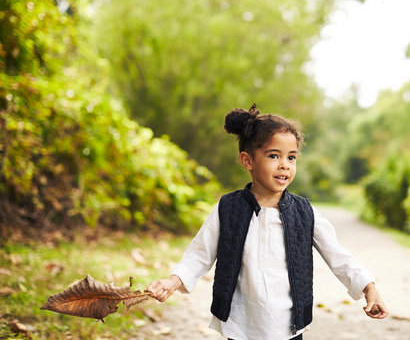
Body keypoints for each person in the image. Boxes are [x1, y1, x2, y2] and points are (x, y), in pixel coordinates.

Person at [148, 104, 388, 340]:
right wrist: (172, 282)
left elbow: (339, 256)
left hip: (288, 326)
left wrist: (369, 288)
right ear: (248, 161)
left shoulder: (304, 212)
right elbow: (199, 255)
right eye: (274, 155)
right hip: (240, 324)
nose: (284, 164)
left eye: (291, 157)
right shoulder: (228, 208)